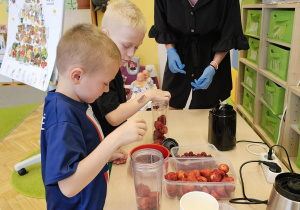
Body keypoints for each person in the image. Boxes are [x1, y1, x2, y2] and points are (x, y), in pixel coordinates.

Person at [40, 24, 147, 210]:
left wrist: (105, 155)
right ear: (77, 76)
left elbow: (78, 150)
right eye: (104, 83)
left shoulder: (76, 99)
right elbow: (68, 185)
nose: (106, 89)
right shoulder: (62, 117)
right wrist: (116, 138)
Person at [149, 0, 249, 109]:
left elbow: (229, 32)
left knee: (205, 112)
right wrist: (171, 51)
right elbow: (162, 25)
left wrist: (213, 65)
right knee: (170, 105)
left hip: (213, 54)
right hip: (179, 51)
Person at [91, 0, 171, 137]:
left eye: (136, 47)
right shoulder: (100, 68)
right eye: (126, 45)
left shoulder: (115, 63)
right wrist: (148, 95)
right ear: (106, 36)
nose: (131, 54)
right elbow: (113, 116)